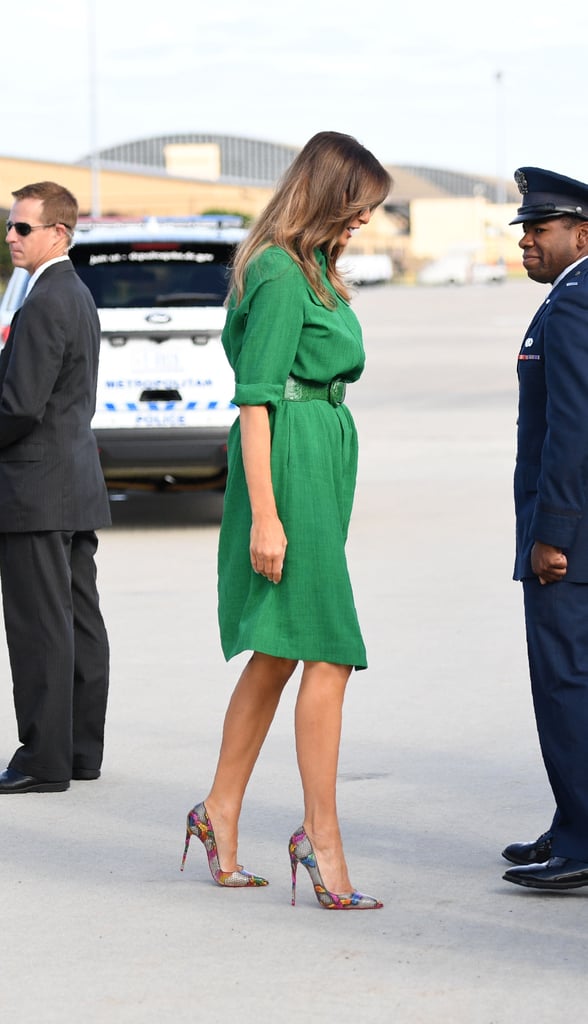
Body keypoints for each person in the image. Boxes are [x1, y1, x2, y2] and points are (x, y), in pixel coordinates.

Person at [180, 131, 390, 909]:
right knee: (329, 651)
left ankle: (219, 811)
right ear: (328, 194)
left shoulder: (318, 269)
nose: (365, 221)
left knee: (277, 650)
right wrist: (266, 516)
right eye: (359, 206)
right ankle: (320, 837)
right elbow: (256, 399)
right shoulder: (275, 271)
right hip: (288, 460)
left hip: (322, 456)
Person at [0, 181, 111, 794]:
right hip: (70, 483)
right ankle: (78, 752)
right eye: (11, 226)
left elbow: (20, 406)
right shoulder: (73, 292)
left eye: (22, 228)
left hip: (35, 489)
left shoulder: (44, 299)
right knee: (76, 622)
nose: (10, 237)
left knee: (41, 627)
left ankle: (42, 761)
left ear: (57, 234)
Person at [501, 166, 588, 890]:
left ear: (582, 234)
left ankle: (584, 841)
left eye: (540, 228)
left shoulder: (575, 305)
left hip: (574, 538)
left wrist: (552, 532)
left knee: (566, 684)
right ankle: (572, 824)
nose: (527, 241)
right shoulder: (568, 299)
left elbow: (572, 430)